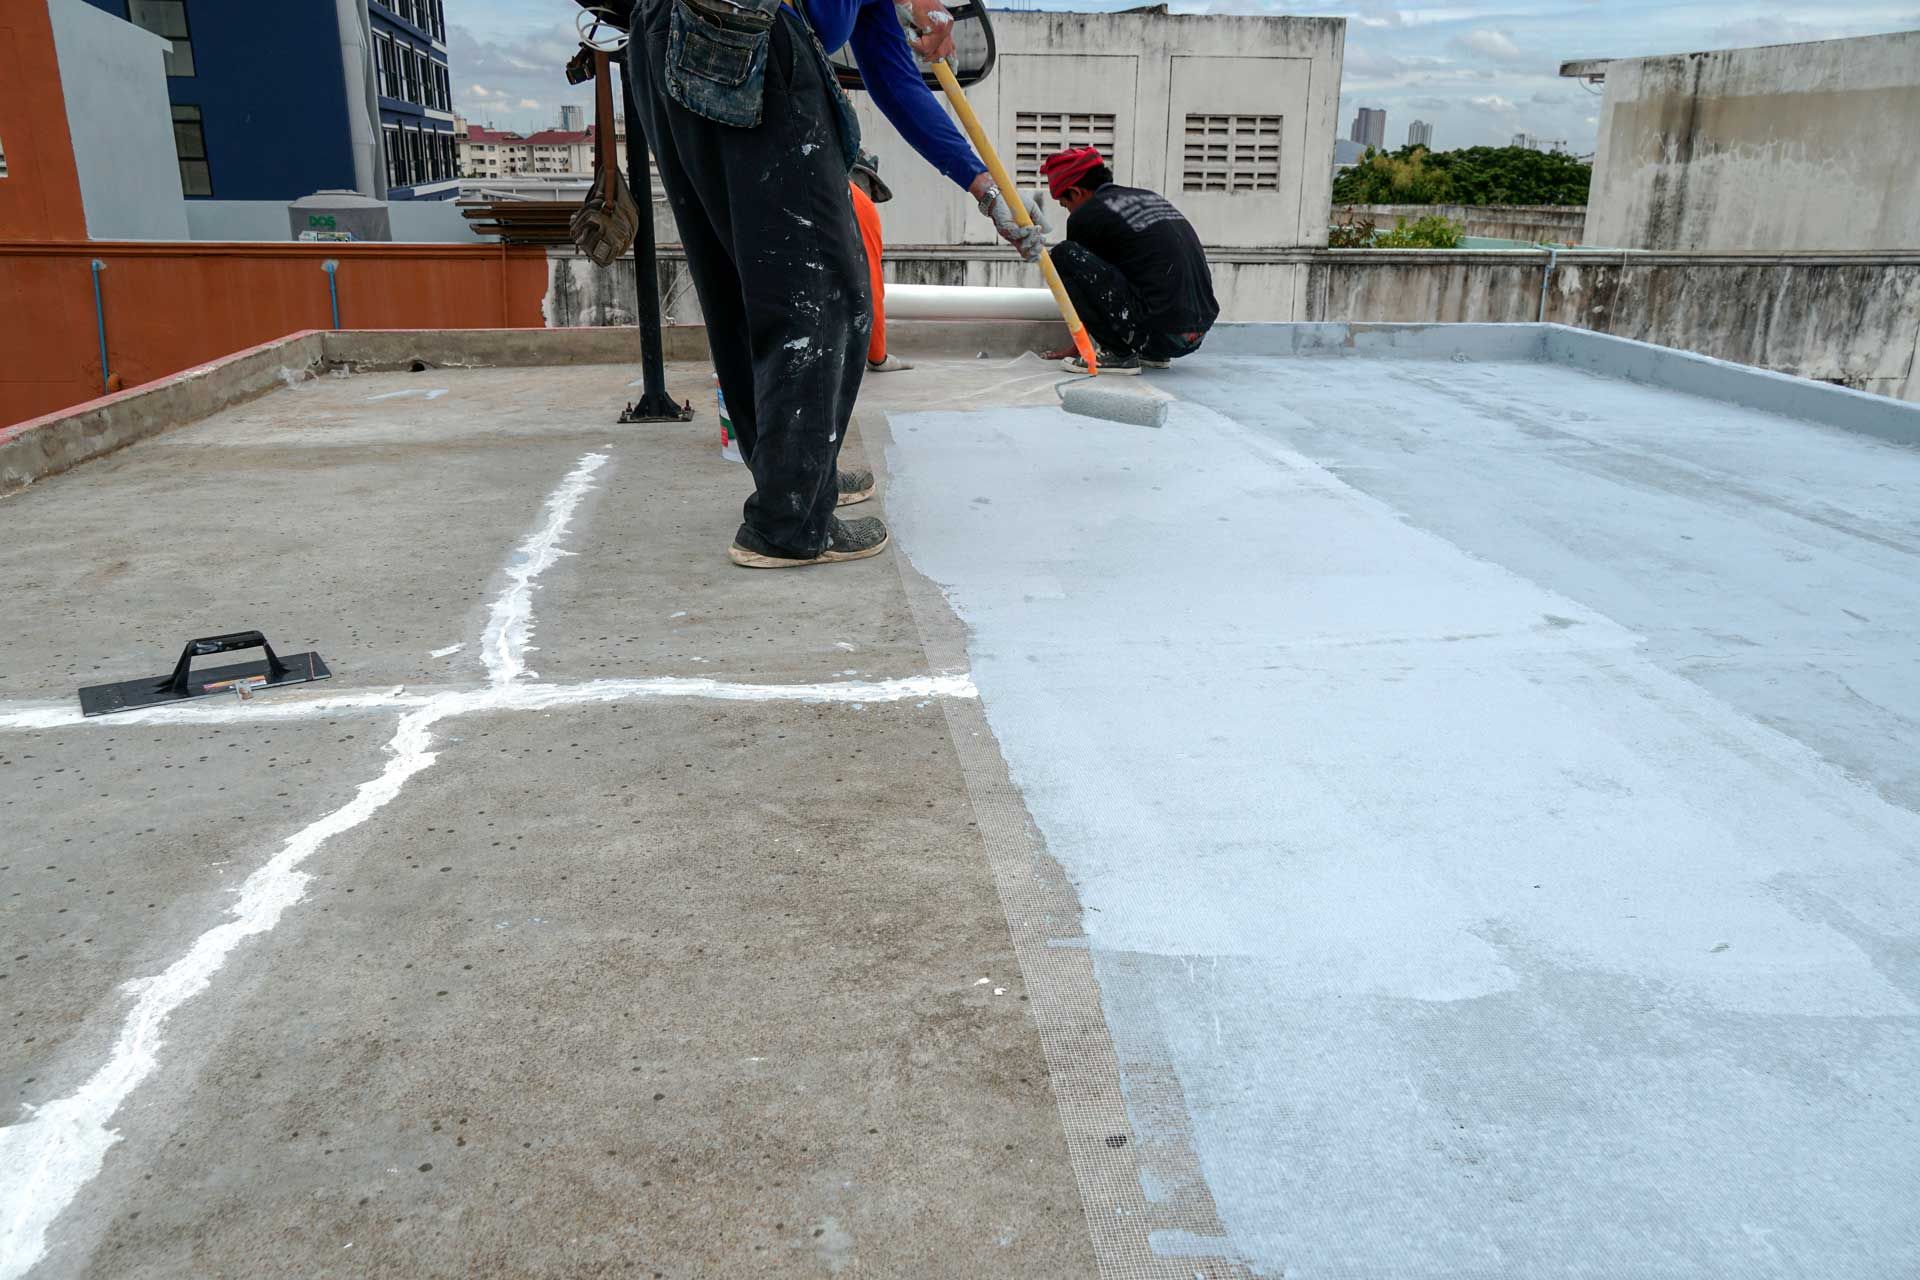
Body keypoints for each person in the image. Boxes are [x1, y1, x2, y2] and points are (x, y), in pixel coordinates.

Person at [623, 0, 1036, 570]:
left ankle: (795, 479)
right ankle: (788, 522)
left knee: (742, 282)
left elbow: (894, 83)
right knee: (823, 295)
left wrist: (985, 189)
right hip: (753, 33)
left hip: (666, 39)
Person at [1037, 145, 1219, 375]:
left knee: (1063, 255)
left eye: (1066, 205)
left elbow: (1086, 288)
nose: (1069, 212)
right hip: (1193, 336)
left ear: (1076, 192)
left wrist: (1082, 347)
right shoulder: (1148, 199)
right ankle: (1152, 355)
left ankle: (1118, 355)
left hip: (1160, 333)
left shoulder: (1088, 214)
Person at [849, 154, 910, 373]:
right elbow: (870, 286)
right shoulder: (856, 199)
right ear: (862, 177)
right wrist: (877, 357)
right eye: (871, 190)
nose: (871, 199)